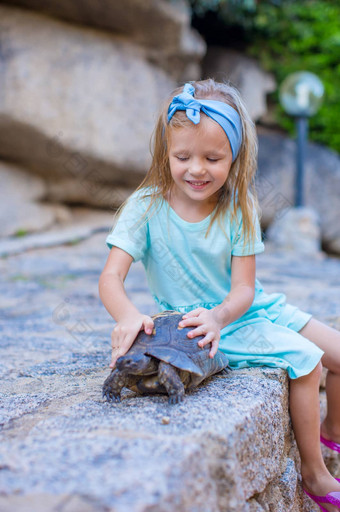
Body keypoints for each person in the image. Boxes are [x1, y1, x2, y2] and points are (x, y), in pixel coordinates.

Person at [99, 79, 340, 511]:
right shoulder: (146, 207)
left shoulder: (239, 207)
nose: (197, 169)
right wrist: (128, 315)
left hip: (243, 308)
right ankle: (314, 474)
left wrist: (221, 315)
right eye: (182, 157)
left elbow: (245, 289)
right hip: (199, 324)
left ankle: (332, 437)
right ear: (165, 152)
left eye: (213, 158)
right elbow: (111, 278)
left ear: (235, 157)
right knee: (308, 363)